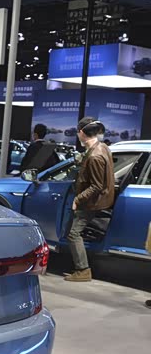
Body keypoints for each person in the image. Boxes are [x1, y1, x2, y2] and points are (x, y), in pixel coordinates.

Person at [64, 117, 115, 283]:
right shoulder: (102, 147)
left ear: (81, 132)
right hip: (101, 199)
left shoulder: (94, 157)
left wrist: (77, 200)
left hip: (91, 202)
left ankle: (83, 270)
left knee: (73, 234)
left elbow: (96, 186)